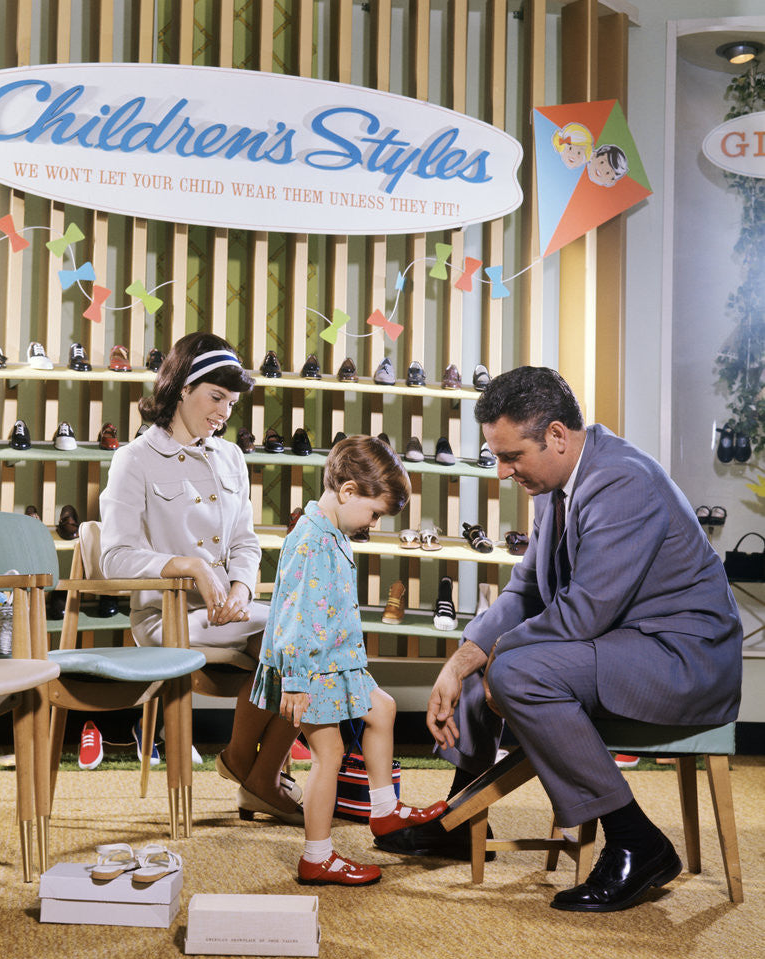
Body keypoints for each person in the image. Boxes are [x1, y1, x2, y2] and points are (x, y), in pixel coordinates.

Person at [375, 366, 742, 912]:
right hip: (626, 642)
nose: (501, 472)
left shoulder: (623, 480)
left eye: (511, 457)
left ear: (556, 435)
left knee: (516, 668)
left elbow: (585, 612)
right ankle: (462, 815)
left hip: (681, 658)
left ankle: (636, 841)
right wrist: (460, 663)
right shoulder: (556, 481)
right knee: (494, 661)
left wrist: (499, 658)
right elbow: (526, 590)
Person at [99, 331, 302, 824]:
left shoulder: (231, 456)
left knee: (305, 634)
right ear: (182, 388)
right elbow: (115, 558)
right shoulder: (134, 460)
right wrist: (190, 567)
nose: (224, 412)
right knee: (288, 639)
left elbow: (245, 542)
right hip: (166, 616)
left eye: (231, 402)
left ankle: (253, 770)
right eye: (216, 397)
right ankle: (255, 774)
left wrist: (241, 587)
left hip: (230, 611)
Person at [251, 436, 447, 885]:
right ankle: (317, 856)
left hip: (337, 662)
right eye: (374, 513)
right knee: (330, 754)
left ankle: (384, 811)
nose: (374, 523)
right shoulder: (312, 540)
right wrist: (297, 679)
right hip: (312, 668)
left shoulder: (331, 530)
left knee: (383, 708)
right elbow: (296, 615)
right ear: (348, 491)